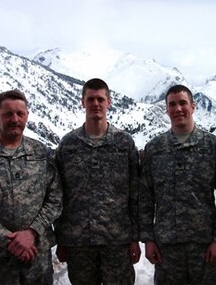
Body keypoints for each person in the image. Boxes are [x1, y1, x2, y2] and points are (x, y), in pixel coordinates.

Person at [0, 89, 63, 284]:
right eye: (8, 114)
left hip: (37, 257)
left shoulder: (42, 154)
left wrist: (32, 232)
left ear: (27, 116)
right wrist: (8, 240)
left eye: (20, 114)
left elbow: (56, 198)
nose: (14, 119)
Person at [139, 84, 216, 285]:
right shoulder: (154, 150)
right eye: (172, 104)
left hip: (205, 247)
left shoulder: (212, 146)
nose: (178, 109)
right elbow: (145, 198)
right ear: (166, 109)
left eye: (183, 103)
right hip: (167, 249)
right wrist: (148, 239)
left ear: (193, 106)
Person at [55, 78, 141, 285]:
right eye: (90, 99)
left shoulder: (124, 143)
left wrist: (134, 237)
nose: (96, 104)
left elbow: (135, 193)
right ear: (82, 102)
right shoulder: (68, 145)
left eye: (100, 99)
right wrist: (61, 238)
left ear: (109, 102)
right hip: (78, 242)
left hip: (117, 241)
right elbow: (58, 193)